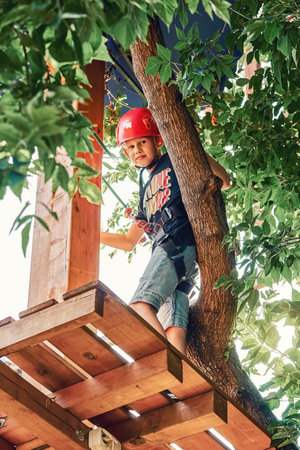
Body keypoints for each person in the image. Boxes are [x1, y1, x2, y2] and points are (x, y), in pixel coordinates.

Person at [100, 108, 230, 355]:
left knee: (140, 305)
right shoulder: (144, 194)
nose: (137, 150)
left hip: (177, 241)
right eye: (130, 147)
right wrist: (94, 234)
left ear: (157, 140)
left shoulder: (175, 159)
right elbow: (129, 242)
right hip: (177, 258)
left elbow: (225, 181)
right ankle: (179, 376)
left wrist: (196, 155)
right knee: (172, 324)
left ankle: (163, 364)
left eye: (142, 143)